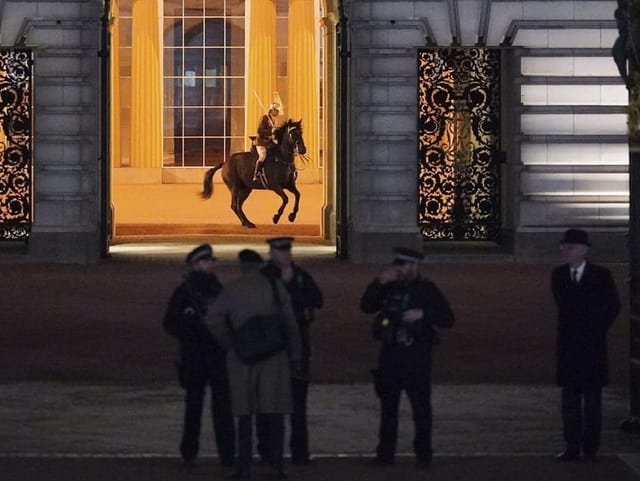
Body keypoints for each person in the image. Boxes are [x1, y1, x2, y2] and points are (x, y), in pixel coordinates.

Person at [206, 249, 302, 479]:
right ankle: (277, 465)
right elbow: (291, 325)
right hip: (274, 358)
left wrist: (230, 343)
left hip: (242, 358)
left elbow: (213, 320)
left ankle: (243, 468)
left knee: (245, 416)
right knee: (275, 414)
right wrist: (296, 356)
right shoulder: (275, 286)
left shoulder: (231, 289)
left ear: (241, 267)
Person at [360, 247, 455, 469]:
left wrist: (423, 314)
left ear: (415, 267)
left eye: (407, 265)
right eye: (400, 265)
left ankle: (423, 456)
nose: (403, 269)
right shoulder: (387, 287)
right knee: (388, 408)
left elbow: (448, 319)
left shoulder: (427, 289)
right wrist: (378, 282)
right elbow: (366, 306)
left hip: (416, 356)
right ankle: (385, 455)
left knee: (421, 409)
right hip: (391, 354)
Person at [162, 243, 235, 468]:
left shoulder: (218, 290)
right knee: (194, 407)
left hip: (215, 356)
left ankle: (227, 453)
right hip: (194, 356)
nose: (210, 265)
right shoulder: (184, 293)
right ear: (196, 265)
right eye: (206, 262)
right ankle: (189, 452)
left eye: (210, 262)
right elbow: (170, 323)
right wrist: (191, 330)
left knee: (221, 408)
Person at [551, 229, 620, 463]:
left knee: (592, 402)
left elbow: (613, 306)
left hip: (591, 345)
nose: (564, 251)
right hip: (570, 346)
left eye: (569, 247)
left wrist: (597, 327)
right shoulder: (558, 275)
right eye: (564, 246)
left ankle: (590, 448)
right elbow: (565, 304)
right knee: (570, 401)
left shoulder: (602, 275)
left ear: (582, 250)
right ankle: (572, 446)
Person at [261, 236, 324, 465]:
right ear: (271, 253)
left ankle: (300, 452)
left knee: (298, 403)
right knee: (268, 404)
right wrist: (286, 287)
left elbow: (317, 299)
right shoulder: (264, 277)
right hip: (271, 347)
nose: (286, 255)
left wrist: (293, 287)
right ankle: (267, 452)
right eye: (281, 251)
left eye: (287, 251)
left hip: (298, 347)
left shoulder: (300, 275)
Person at [253, 102, 281, 182]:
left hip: (270, 142)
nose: (277, 112)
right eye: (276, 110)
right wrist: (270, 131)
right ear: (272, 110)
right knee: (263, 156)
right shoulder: (264, 118)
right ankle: (256, 173)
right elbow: (259, 130)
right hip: (261, 142)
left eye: (278, 111)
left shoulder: (275, 120)